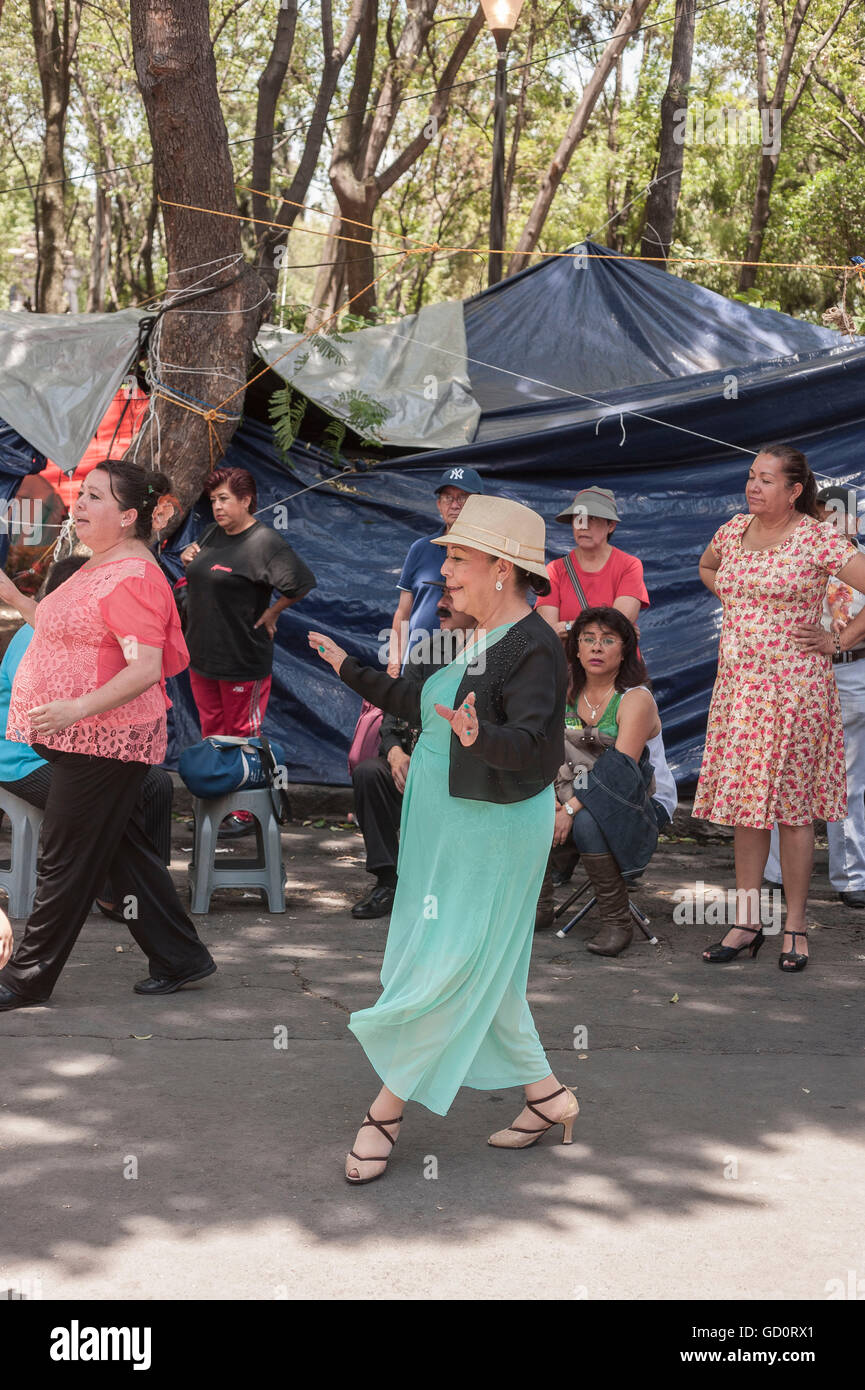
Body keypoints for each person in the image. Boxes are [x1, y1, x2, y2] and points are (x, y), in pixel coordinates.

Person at [310, 494, 577, 1185]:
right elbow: (412, 702)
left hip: (492, 826)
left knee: (452, 965)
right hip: (441, 817)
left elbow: (531, 746)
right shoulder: (467, 635)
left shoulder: (535, 645)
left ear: (501, 569)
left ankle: (385, 1114)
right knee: (482, 970)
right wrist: (346, 666)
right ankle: (548, 1097)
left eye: (458, 558)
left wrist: (478, 735)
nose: (444, 570)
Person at [0, 459, 215, 1010]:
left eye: (96, 497)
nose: (80, 505)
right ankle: (181, 956)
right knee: (124, 851)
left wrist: (74, 708)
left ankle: (26, 979)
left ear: (128, 516)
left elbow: (144, 668)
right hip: (83, 737)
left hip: (103, 741)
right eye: (83, 494)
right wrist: (14, 596)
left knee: (63, 860)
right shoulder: (101, 565)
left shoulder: (136, 577)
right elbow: (55, 626)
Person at [694, 443, 865, 972]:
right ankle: (747, 921)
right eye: (751, 476)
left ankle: (794, 926)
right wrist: (738, 600)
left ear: (794, 491)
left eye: (767, 479)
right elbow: (707, 567)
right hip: (739, 692)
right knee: (748, 810)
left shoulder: (817, 537)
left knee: (793, 813)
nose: (753, 486)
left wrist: (839, 642)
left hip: (795, 694)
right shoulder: (731, 531)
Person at [0, 555, 174, 921]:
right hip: (24, 758)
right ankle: (122, 898)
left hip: (69, 748)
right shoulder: (35, 637)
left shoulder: (87, 635)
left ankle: (146, 898)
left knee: (153, 783)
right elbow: (42, 717)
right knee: (124, 796)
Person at [180, 466, 316, 833]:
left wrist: (272, 612)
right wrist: (189, 558)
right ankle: (216, 804)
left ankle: (244, 814)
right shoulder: (211, 533)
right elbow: (197, 574)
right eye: (212, 501)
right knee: (212, 733)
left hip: (243, 659)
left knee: (241, 737)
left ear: (246, 500)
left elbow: (301, 583)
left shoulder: (265, 542)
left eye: (224, 499)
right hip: (203, 656)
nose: (217, 507)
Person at [536, 607, 674, 953]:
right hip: (571, 793)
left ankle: (616, 922)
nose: (597, 648)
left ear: (624, 650)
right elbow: (544, 753)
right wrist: (550, 800)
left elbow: (618, 770)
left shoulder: (635, 698)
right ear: (576, 649)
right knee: (528, 804)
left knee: (586, 819)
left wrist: (567, 809)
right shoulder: (560, 692)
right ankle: (538, 906)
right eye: (588, 640)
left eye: (608, 640)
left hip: (638, 801)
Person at [764, 485, 865, 908]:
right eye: (826, 513)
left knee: (851, 775)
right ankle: (775, 873)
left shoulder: (858, 562)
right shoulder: (795, 553)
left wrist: (837, 642)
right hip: (798, 673)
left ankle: (852, 877)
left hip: (851, 669)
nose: (835, 521)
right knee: (781, 766)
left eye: (843, 514)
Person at [350, 591, 475, 919]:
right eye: (441, 596)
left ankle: (455, 885)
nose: (439, 605)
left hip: (465, 768)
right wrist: (394, 753)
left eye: (451, 597)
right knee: (369, 773)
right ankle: (389, 881)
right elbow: (393, 716)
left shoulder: (495, 651)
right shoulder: (428, 650)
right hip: (417, 762)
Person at [388, 466, 485, 675]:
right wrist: (395, 663)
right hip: (415, 664)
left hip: (465, 667)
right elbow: (403, 611)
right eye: (448, 498)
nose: (455, 505)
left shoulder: (489, 554)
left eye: (463, 497)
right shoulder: (421, 548)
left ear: (481, 505)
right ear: (439, 505)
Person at [536, 486, 649, 639]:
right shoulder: (554, 570)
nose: (583, 525)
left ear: (611, 526)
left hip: (616, 663)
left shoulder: (629, 565)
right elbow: (548, 634)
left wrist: (567, 626)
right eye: (578, 518)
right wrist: (609, 627)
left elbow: (619, 624)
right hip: (569, 663)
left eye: (592, 518)